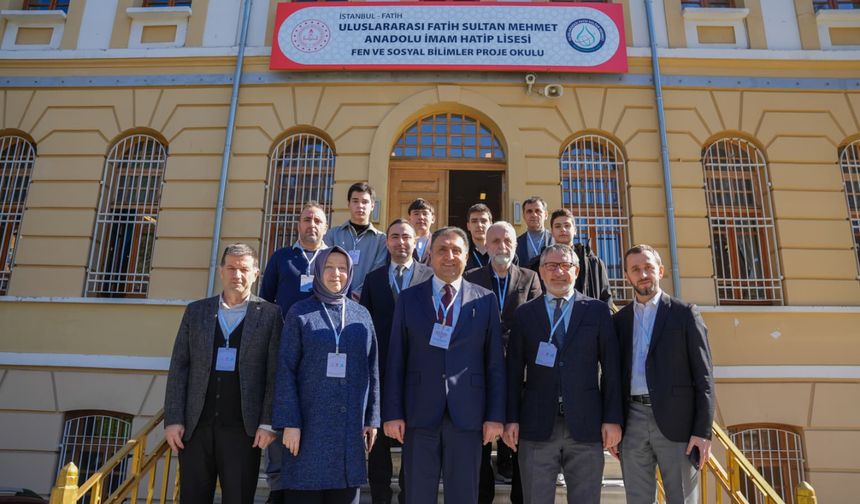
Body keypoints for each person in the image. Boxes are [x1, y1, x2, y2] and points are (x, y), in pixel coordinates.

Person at [383, 226, 506, 504]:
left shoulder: (485, 300)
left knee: (464, 495)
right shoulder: (408, 298)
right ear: (429, 254)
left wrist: (495, 415)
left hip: (468, 414)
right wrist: (393, 412)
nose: (449, 256)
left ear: (467, 256)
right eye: (441, 249)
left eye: (456, 250)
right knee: (417, 495)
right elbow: (396, 359)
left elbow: (495, 363)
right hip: (419, 412)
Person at [503, 244, 623, 504]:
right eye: (551, 266)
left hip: (586, 425)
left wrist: (612, 418)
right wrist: (510, 418)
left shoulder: (597, 311)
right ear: (541, 273)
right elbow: (512, 371)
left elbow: (612, 370)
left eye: (565, 266)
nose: (558, 272)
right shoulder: (525, 313)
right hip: (536, 425)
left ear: (576, 271)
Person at [164, 243, 282, 504]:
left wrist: (267, 422)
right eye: (231, 268)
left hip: (244, 431)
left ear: (256, 273)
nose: (237, 275)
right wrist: (173, 418)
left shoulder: (271, 316)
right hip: (195, 429)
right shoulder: (196, 312)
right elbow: (179, 367)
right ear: (221, 271)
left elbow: (275, 374)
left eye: (243, 269)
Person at [274, 246, 380, 504]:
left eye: (342, 268)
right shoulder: (300, 313)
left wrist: (372, 418)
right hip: (307, 430)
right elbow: (285, 369)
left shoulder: (361, 314)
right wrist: (290, 422)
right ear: (318, 271)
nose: (336, 274)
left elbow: (373, 368)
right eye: (329, 267)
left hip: (349, 431)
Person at [614, 244, 714, 504]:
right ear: (627, 276)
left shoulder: (685, 314)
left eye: (648, 267)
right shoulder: (620, 321)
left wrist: (703, 431)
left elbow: (703, 377)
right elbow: (612, 378)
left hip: (678, 424)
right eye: (635, 269)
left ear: (660, 270)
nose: (643, 273)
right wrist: (613, 423)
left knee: (681, 499)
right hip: (632, 422)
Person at [465, 221, 542, 504]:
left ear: (515, 244)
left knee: (519, 438)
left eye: (507, 240)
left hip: (518, 372)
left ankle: (519, 497)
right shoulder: (471, 277)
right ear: (486, 245)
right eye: (495, 241)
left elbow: (534, 322)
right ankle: (482, 496)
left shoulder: (530, 277)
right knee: (481, 443)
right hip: (481, 371)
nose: (502, 246)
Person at [258, 201, 329, 502]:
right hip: (284, 348)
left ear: (326, 226)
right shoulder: (281, 257)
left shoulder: (332, 258)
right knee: (281, 408)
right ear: (298, 224)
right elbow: (266, 301)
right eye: (306, 219)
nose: (311, 224)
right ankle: (278, 481)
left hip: (321, 351)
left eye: (317, 220)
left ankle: (310, 476)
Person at [360, 219, 434, 504]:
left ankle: (407, 495)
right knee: (377, 438)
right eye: (394, 237)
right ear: (386, 242)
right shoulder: (373, 279)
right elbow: (366, 323)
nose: (401, 242)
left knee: (412, 438)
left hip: (417, 370)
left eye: (406, 237)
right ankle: (380, 495)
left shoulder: (429, 277)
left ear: (416, 241)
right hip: (381, 368)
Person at [324, 182, 387, 297]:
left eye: (365, 202)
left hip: (366, 300)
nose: (360, 206)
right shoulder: (333, 234)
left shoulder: (381, 240)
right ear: (348, 204)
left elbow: (378, 271)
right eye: (355, 201)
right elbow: (324, 266)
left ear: (373, 206)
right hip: (334, 298)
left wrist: (358, 293)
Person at [540, 209, 614, 306]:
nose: (563, 229)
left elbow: (606, 299)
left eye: (567, 225)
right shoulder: (541, 262)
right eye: (558, 226)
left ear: (575, 230)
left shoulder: (594, 263)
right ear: (552, 232)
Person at [515, 196, 552, 268]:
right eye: (529, 211)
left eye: (538, 211)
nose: (534, 215)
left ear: (546, 215)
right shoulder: (516, 243)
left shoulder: (555, 240)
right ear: (524, 216)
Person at [465, 203, 493, 271]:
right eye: (474, 221)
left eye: (483, 221)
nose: (479, 225)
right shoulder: (461, 251)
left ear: (491, 224)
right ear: (468, 226)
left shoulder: (501, 249)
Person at [408, 198, 436, 264]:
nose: (421, 217)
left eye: (425, 213)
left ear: (433, 219)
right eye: (416, 214)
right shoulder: (403, 243)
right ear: (409, 219)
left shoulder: (438, 242)